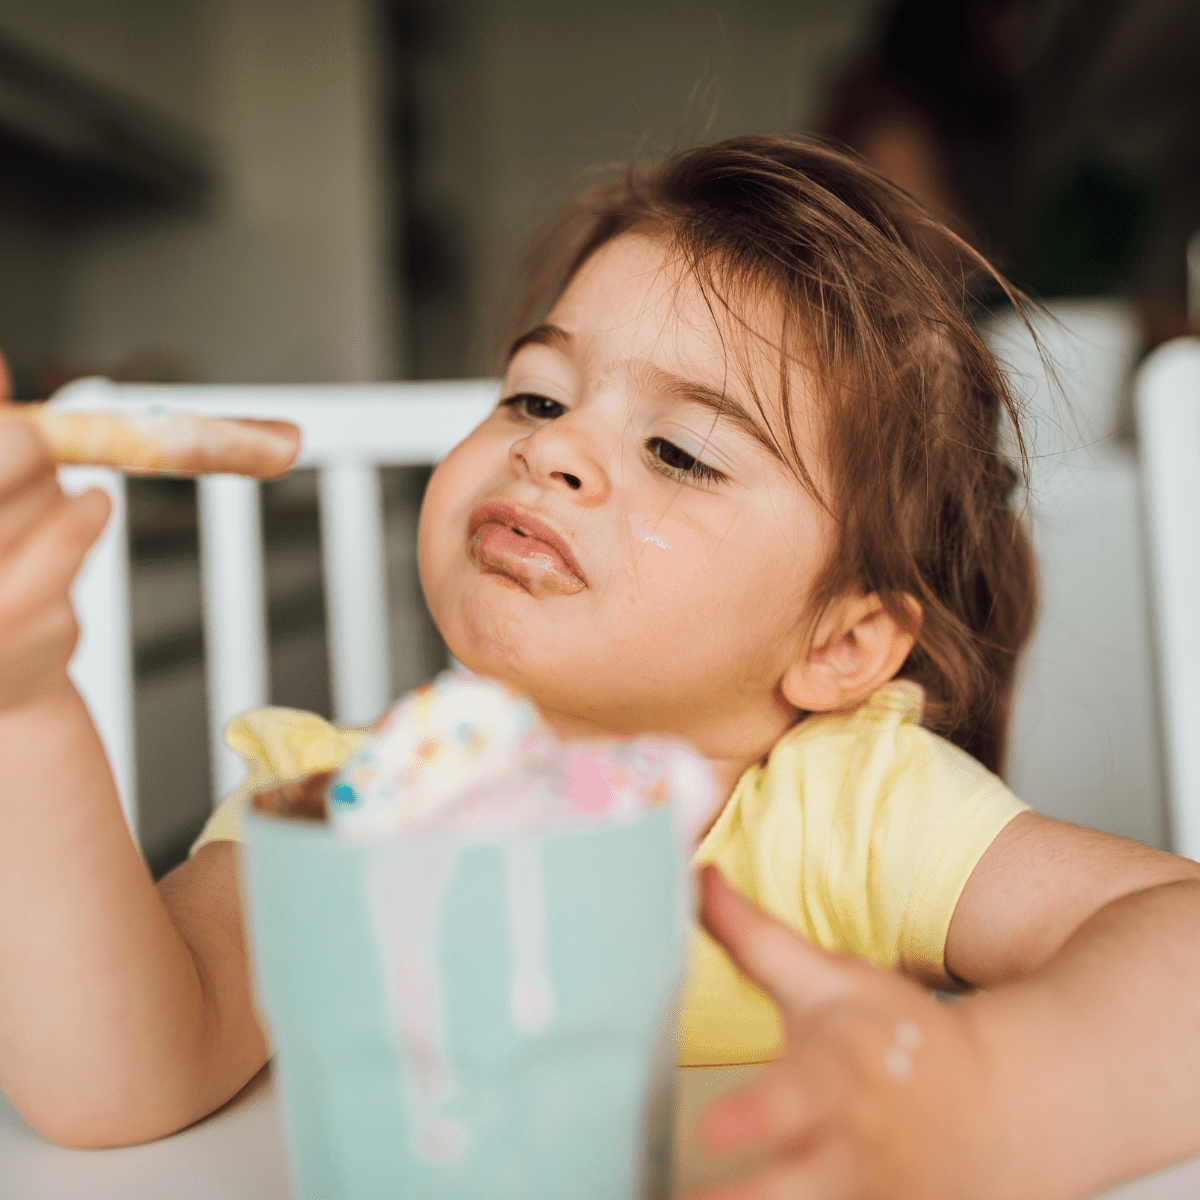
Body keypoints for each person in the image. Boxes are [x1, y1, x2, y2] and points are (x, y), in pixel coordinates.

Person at [1, 136, 1199, 1199]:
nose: (557, 448)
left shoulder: (849, 816)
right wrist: (24, 702)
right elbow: (115, 1086)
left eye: (678, 450)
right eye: (534, 395)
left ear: (839, 643)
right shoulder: (335, 806)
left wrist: (994, 1099)